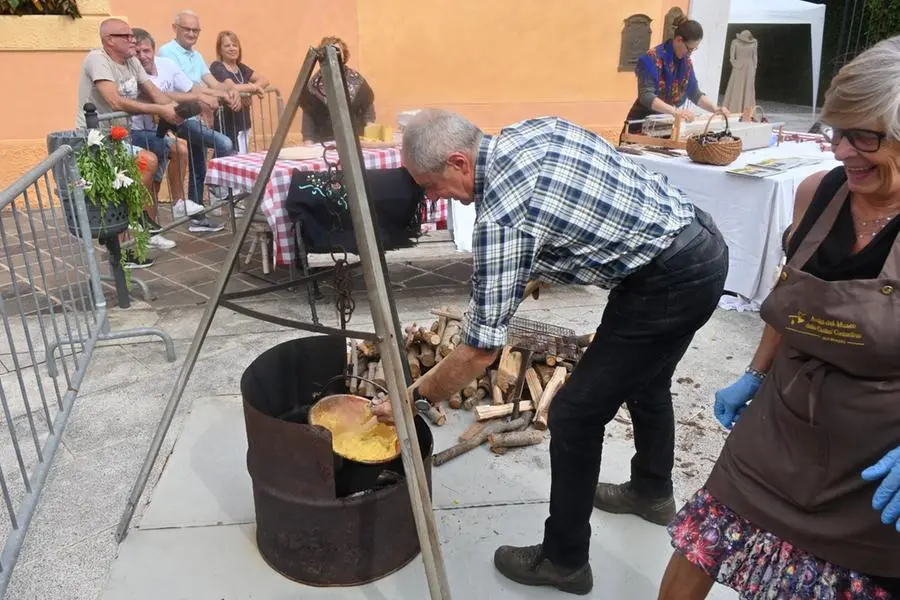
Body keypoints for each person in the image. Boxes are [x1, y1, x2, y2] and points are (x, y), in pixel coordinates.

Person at [372, 109, 729, 595]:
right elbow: (574, 206)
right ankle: (651, 492)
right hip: (699, 242)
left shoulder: (500, 216)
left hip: (666, 279)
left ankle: (564, 560)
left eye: (431, 186)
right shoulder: (533, 131)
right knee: (647, 379)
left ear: (459, 161)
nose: (432, 198)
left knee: (575, 414)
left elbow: (479, 351)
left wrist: (409, 397)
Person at [658, 37, 900, 600]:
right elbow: (793, 294)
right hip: (783, 417)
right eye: (837, 132)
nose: (842, 151)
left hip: (874, 457)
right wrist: (756, 372)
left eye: (865, 136)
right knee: (702, 539)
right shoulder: (817, 193)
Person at [76, 18, 184, 267]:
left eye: (132, 35)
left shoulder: (132, 61)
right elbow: (114, 101)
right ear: (109, 40)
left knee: (134, 177)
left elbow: (155, 93)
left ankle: (127, 237)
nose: (132, 39)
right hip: (95, 139)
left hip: (119, 138)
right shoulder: (97, 58)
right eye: (125, 36)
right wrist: (160, 108)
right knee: (144, 165)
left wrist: (176, 109)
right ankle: (128, 234)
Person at [159, 9, 240, 232]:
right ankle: (216, 186)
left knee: (198, 167)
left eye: (196, 30)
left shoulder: (196, 56)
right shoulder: (167, 52)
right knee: (224, 143)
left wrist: (230, 89)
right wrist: (208, 96)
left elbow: (212, 83)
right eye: (187, 29)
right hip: (180, 117)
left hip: (198, 116)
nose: (192, 34)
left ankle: (198, 217)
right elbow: (183, 86)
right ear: (175, 28)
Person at [623, 17, 730, 136]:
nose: (689, 53)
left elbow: (694, 93)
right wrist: (675, 112)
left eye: (694, 50)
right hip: (641, 125)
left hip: (668, 125)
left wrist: (715, 109)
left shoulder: (686, 63)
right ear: (679, 40)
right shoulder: (651, 59)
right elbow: (646, 96)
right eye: (689, 49)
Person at [300, 36, 375, 143]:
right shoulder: (313, 86)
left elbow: (368, 108)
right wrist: (308, 141)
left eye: (337, 53)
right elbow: (308, 118)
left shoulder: (357, 80)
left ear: (344, 56)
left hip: (356, 141)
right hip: (324, 144)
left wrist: (370, 133)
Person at [209, 31, 270, 154]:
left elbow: (264, 80)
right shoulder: (217, 66)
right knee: (227, 156)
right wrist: (253, 89)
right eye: (227, 46)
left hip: (243, 123)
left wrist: (249, 90)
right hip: (226, 123)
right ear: (220, 50)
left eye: (234, 45)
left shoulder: (241, 67)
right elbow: (230, 87)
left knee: (241, 157)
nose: (232, 48)